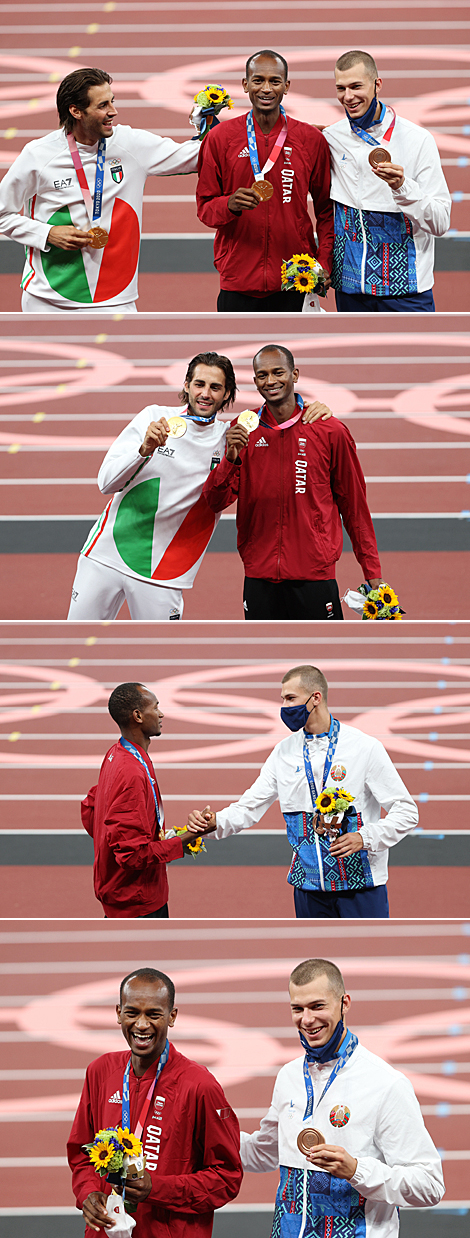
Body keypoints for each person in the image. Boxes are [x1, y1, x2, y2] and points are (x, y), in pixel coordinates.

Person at [67, 350, 333, 621]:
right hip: (105, 555)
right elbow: (106, 483)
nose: (206, 394)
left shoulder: (230, 438)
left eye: (215, 387)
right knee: (75, 644)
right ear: (186, 385)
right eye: (199, 384)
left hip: (166, 574)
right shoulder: (154, 418)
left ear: (227, 394)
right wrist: (143, 450)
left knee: (159, 660)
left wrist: (313, 410)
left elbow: (279, 427)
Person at [187, 664, 419, 918]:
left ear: (315, 698)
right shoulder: (283, 753)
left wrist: (366, 837)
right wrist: (214, 822)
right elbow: (248, 807)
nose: (284, 707)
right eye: (283, 699)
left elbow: (406, 811)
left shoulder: (364, 748)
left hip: (361, 887)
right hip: (308, 890)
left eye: (291, 698)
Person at [238, 958, 444, 1238]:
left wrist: (357, 1170)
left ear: (344, 1003)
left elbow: (429, 1186)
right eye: (297, 1009)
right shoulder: (288, 1077)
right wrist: (206, 1132)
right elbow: (263, 1153)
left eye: (317, 1006)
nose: (307, 1019)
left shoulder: (386, 1083)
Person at [202, 344, 382, 620]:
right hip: (259, 576)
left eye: (278, 372)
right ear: (254, 381)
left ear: (295, 374)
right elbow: (215, 501)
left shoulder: (329, 430)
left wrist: (373, 572)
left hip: (315, 577)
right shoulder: (243, 428)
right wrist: (231, 459)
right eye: (262, 375)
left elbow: (354, 506)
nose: (270, 381)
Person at [0, 67, 201, 311]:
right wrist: (47, 234)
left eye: (112, 101)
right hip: (47, 300)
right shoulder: (39, 155)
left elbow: (196, 157)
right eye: (103, 105)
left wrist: (209, 126)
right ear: (76, 111)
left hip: (117, 301)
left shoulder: (130, 144)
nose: (113, 112)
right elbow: (2, 215)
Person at [67, 967, 243, 1237]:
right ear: (118, 1013)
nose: (141, 1025)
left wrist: (157, 1188)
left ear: (172, 1017)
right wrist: (88, 1192)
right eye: (132, 1012)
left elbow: (226, 1177)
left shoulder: (199, 1085)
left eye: (153, 1014)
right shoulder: (100, 1072)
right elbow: (81, 1154)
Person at [196, 50, 334, 311]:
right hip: (238, 280)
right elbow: (205, 209)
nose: (266, 89)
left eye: (275, 81)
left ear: (287, 86)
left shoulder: (310, 139)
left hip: (296, 277)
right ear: (245, 84)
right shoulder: (220, 138)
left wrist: (324, 261)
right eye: (258, 80)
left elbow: (327, 210)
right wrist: (230, 205)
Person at [324, 50, 452, 312]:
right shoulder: (332, 137)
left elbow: (440, 222)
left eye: (356, 86)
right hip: (349, 291)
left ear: (377, 84)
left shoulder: (418, 140)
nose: (348, 97)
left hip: (406, 291)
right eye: (341, 88)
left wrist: (402, 187)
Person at [81, 682, 212, 918]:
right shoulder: (131, 772)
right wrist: (191, 835)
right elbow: (133, 856)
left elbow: (91, 812)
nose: (161, 714)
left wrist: (162, 837)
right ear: (138, 716)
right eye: (156, 707)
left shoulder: (116, 754)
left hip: (126, 893)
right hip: (137, 901)